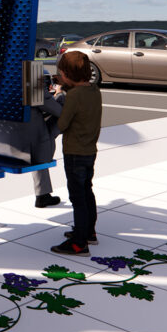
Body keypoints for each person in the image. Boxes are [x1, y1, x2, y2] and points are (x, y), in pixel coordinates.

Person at [50, 51, 102, 256]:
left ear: (66, 74)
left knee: (77, 197)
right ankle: (90, 232)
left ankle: (79, 243)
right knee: (87, 191)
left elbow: (62, 124)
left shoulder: (72, 96)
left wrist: (58, 95)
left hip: (74, 152)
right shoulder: (94, 90)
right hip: (90, 150)